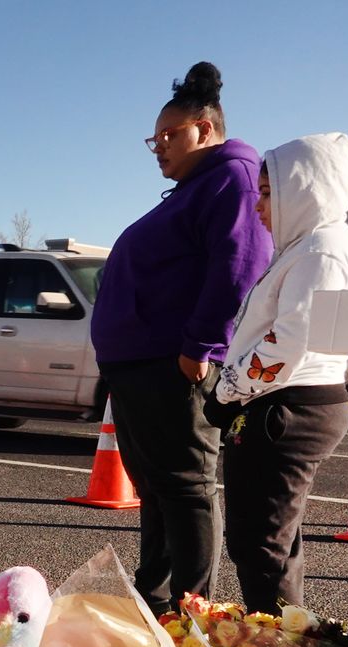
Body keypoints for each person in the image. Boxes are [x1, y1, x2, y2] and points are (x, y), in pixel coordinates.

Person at [90, 61, 272, 612]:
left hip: (173, 363)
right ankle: (157, 596)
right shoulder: (194, 189)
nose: (160, 148)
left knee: (186, 487)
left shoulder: (231, 177)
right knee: (157, 488)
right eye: (155, 139)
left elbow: (242, 261)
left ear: (207, 130)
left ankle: (192, 612)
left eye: (172, 135)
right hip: (139, 365)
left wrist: (202, 345)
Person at [212, 134, 348, 614]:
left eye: (267, 192)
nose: (258, 205)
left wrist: (227, 390)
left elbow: (288, 342)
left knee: (262, 546)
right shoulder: (310, 245)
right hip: (287, 402)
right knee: (272, 541)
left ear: (305, 188)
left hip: (288, 406)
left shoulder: (320, 250)